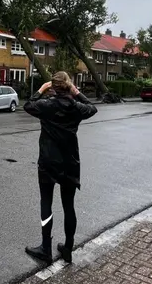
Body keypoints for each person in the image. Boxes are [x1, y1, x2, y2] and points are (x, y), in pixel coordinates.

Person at [23, 71, 97, 264]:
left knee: (46, 203)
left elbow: (28, 105)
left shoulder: (46, 106)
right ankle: (68, 249)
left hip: (48, 163)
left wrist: (40, 89)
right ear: (69, 87)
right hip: (70, 163)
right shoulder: (76, 107)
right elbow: (92, 108)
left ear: (53, 87)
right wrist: (76, 92)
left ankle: (46, 248)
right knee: (68, 206)